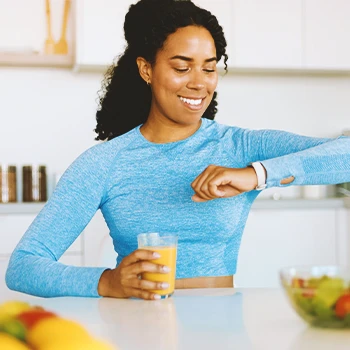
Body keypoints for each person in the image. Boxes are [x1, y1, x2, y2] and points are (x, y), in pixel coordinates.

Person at [6, 0, 350, 300]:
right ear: (147, 69)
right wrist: (107, 282)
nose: (199, 82)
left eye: (210, 67)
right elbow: (23, 266)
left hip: (222, 326)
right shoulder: (105, 162)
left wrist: (256, 175)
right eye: (182, 67)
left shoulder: (239, 147)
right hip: (135, 327)